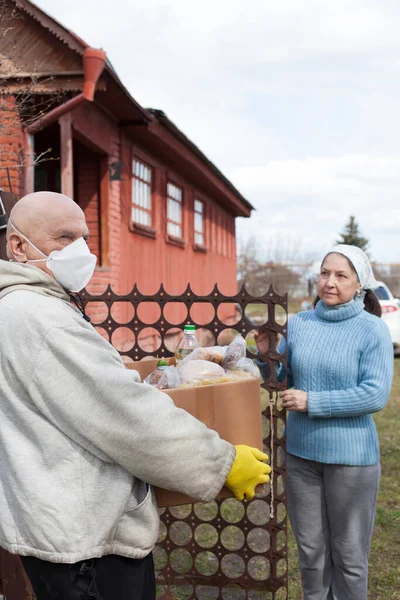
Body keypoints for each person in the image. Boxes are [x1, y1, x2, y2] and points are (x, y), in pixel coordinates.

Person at [0, 191, 271, 600]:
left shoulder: (24, 308)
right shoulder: (40, 317)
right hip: (87, 545)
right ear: (18, 245)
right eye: (63, 238)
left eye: (84, 238)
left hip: (63, 526)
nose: (80, 251)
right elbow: (124, 415)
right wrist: (223, 463)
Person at [255, 244, 393, 600]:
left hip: (352, 461)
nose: (329, 282)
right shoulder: (299, 324)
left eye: (341, 275)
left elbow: (374, 395)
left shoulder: (372, 329)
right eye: (324, 273)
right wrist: (266, 354)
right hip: (301, 457)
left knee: (348, 557)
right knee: (312, 556)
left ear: (359, 284)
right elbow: (281, 381)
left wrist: (312, 400)